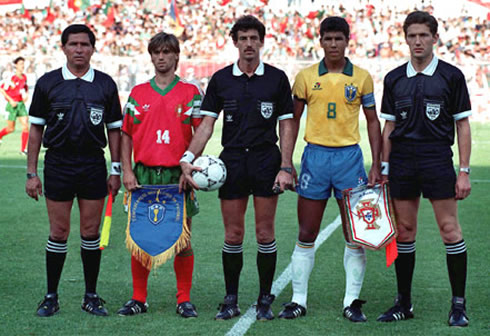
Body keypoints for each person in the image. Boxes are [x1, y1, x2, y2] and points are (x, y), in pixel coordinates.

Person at [180, 15, 295, 321]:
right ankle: (230, 299)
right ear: (234, 42)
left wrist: (286, 165)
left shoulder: (277, 78)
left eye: (253, 38)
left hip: (266, 160)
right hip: (230, 162)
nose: (248, 44)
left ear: (262, 41)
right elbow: (206, 125)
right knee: (233, 234)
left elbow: (287, 124)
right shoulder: (221, 79)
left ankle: (264, 299)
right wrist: (188, 158)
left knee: (264, 231)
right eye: (242, 38)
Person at [278, 16, 382, 322]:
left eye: (339, 39)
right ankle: (299, 300)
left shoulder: (362, 77)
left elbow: (374, 121)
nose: (333, 44)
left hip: (350, 159)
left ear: (348, 41)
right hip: (315, 159)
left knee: (355, 235)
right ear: (320, 41)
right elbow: (292, 120)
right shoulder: (306, 77)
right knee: (307, 231)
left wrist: (377, 163)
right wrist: (288, 161)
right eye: (328, 38)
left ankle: (352, 301)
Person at [377, 11, 472, 327]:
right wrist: (384, 167)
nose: (417, 41)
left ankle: (458, 305)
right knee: (404, 230)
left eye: (423, 35)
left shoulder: (451, 76)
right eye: (412, 35)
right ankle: (404, 303)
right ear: (405, 38)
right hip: (403, 160)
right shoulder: (394, 78)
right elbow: (388, 127)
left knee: (449, 229)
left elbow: (463, 125)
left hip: (436, 159)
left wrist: (464, 171)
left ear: (434, 38)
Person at [25, 24, 122, 317]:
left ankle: (90, 296)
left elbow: (115, 131)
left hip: (93, 164)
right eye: (73, 44)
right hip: (58, 164)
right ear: (63, 47)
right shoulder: (47, 83)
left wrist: (115, 169)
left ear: (93, 48)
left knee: (91, 232)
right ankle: (51, 296)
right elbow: (35, 130)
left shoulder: (105, 84)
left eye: (84, 44)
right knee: (59, 231)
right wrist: (32, 173)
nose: (79, 49)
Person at [117, 32, 202, 318]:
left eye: (167, 51)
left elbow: (200, 133)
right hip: (142, 177)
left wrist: (190, 169)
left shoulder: (191, 92)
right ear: (151, 56)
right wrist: (126, 170)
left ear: (177, 55)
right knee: (140, 237)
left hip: (176, 177)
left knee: (183, 239)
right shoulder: (138, 92)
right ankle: (138, 298)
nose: (162, 57)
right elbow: (126, 134)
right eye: (157, 52)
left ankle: (184, 299)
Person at [0, 57, 29, 154]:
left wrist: (26, 95)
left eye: (23, 63)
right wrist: (11, 100)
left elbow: (25, 86)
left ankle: (23, 149)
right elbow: (2, 89)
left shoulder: (24, 77)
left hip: (21, 105)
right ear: (16, 65)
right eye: (20, 63)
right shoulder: (11, 77)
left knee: (25, 126)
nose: (22, 65)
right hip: (12, 105)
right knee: (11, 129)